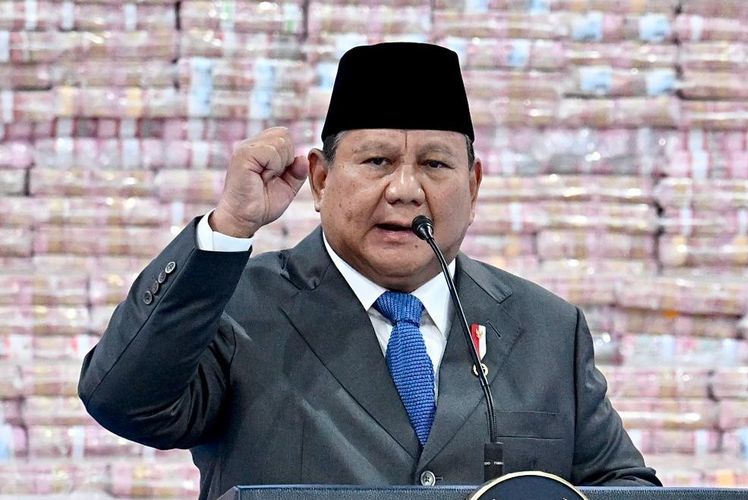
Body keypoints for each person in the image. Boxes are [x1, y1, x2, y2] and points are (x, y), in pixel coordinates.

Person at [78, 43, 660, 500]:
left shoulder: (548, 329)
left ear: (474, 185)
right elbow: (125, 401)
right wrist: (229, 227)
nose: (405, 190)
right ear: (321, 179)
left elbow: (624, 487)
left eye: (435, 164)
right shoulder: (238, 308)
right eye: (377, 161)